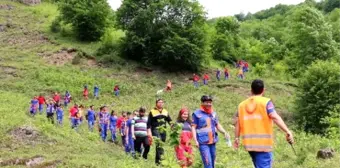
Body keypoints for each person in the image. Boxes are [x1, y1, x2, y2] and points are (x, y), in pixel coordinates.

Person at [233, 79, 294, 168]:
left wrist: (236, 138)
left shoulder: (241, 105)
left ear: (251, 90)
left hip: (249, 145)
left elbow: (237, 123)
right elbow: (274, 116)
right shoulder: (266, 103)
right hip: (263, 145)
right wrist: (287, 131)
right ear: (263, 90)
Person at [192, 95, 230, 168]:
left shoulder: (213, 113)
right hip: (203, 142)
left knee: (212, 162)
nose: (209, 104)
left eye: (210, 102)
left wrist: (224, 132)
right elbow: (193, 127)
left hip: (212, 142)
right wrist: (195, 140)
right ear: (202, 103)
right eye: (207, 102)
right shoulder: (197, 114)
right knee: (207, 162)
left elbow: (217, 124)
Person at [147, 98, 172, 165]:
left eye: (162, 102)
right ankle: (162, 160)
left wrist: (173, 127)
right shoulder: (152, 111)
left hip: (163, 130)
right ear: (156, 103)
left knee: (160, 145)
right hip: (155, 129)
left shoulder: (165, 111)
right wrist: (149, 132)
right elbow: (148, 123)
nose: (161, 103)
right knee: (159, 142)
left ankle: (157, 162)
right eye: (159, 102)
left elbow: (170, 121)